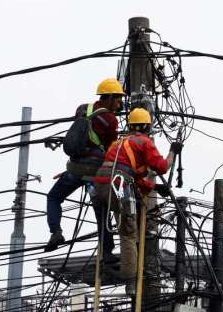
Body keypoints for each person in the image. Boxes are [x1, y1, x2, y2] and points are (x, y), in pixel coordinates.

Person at [93, 107, 182, 293]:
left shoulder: (118, 144)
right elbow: (162, 167)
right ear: (146, 126)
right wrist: (173, 152)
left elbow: (131, 176)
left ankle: (107, 261)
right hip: (119, 185)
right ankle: (131, 281)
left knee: (121, 225)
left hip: (102, 184)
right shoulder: (144, 142)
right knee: (128, 235)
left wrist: (155, 188)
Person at [45, 78, 124, 260]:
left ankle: (55, 231)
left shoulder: (82, 109)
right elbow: (110, 147)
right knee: (101, 208)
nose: (119, 104)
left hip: (75, 169)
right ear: (109, 97)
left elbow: (80, 137)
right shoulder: (111, 119)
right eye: (118, 99)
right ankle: (106, 251)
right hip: (94, 172)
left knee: (54, 197)